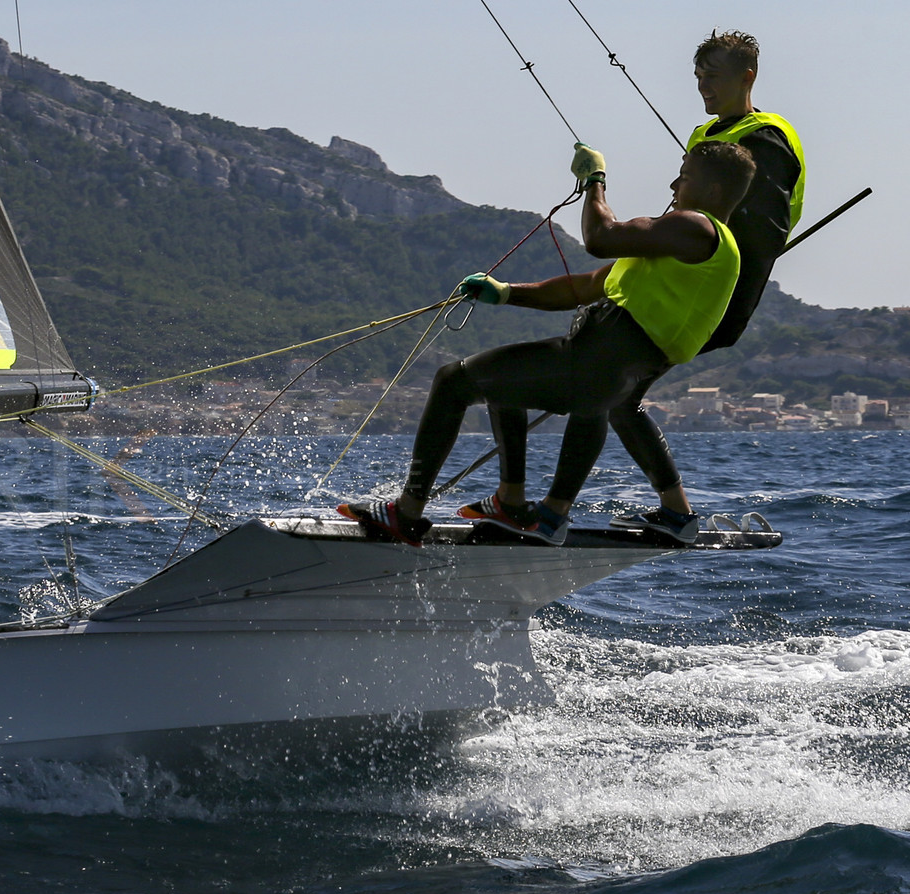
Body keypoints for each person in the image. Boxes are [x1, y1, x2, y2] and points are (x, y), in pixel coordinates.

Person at [338, 139, 756, 548]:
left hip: (594, 361)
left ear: (713, 190)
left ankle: (407, 512)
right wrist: (505, 293)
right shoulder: (682, 251)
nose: (673, 187)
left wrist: (595, 180)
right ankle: (518, 505)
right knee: (506, 384)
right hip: (606, 373)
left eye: (683, 178)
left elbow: (600, 236)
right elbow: (584, 286)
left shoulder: (696, 227)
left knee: (453, 380)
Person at [602, 30, 804, 542]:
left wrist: (721, 300)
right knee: (612, 394)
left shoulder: (765, 141)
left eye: (712, 77)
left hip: (707, 299)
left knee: (607, 387)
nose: (703, 87)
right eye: (697, 77)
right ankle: (675, 513)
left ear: (747, 76)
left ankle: (553, 509)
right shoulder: (710, 136)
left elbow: (760, 235)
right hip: (677, 289)